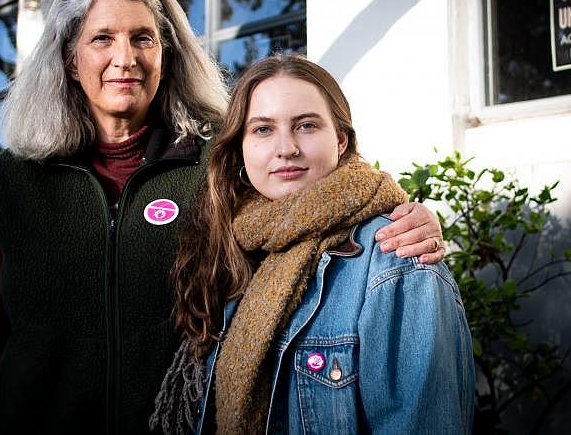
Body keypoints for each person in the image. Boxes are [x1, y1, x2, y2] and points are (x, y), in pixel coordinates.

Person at [0, 0, 447, 434]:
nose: (125, 58)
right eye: (102, 38)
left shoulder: (219, 162)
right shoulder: (17, 179)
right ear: (69, 59)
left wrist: (409, 216)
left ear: (165, 56)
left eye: (142, 38)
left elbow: (309, 203)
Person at [151, 54, 474, 434]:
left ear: (340, 139)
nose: (285, 147)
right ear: (240, 146)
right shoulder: (232, 249)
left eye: (305, 125)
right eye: (262, 129)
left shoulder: (396, 255)